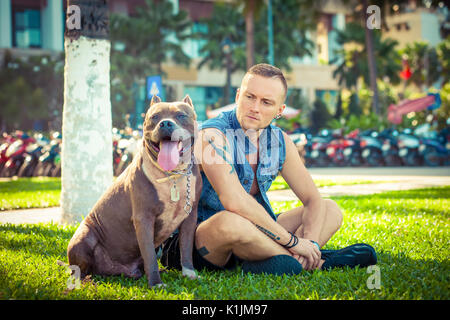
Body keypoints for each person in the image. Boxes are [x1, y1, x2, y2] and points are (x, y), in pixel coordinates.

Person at [161, 63, 376, 274]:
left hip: (254, 233)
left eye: (266, 102)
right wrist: (293, 242)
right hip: (196, 241)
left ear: (279, 110)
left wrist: (309, 242)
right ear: (238, 96)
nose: (255, 107)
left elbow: (313, 200)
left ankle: (294, 259)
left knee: (330, 209)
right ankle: (315, 263)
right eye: (250, 97)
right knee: (231, 221)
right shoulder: (212, 135)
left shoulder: (280, 141)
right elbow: (233, 201)